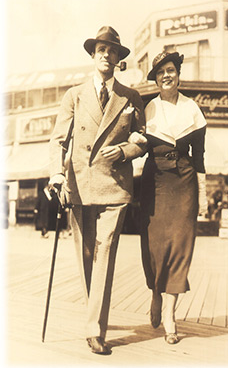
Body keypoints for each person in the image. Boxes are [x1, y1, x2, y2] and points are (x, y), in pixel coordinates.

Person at [48, 26, 146, 355]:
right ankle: (96, 312)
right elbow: (58, 140)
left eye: (113, 51)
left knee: (105, 254)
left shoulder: (131, 97)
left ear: (119, 60)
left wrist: (125, 151)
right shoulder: (74, 95)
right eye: (101, 49)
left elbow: (141, 138)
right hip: (79, 185)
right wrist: (56, 174)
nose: (107, 55)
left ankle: (95, 329)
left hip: (115, 188)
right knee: (86, 256)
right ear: (93, 55)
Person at [140, 51, 207, 344]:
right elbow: (136, 144)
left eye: (170, 70)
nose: (166, 76)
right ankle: (156, 292)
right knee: (156, 246)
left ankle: (170, 314)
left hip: (184, 181)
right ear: (155, 79)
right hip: (154, 181)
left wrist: (202, 196)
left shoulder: (193, 110)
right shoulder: (147, 109)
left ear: (178, 74)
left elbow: (201, 158)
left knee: (181, 246)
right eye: (160, 72)